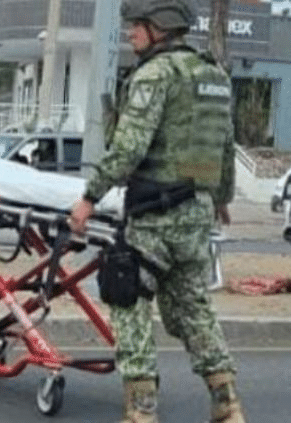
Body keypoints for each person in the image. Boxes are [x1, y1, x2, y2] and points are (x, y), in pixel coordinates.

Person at [69, 1, 246, 422]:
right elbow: (223, 146)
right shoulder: (215, 76)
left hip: (156, 215)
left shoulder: (154, 76)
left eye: (137, 26)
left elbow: (129, 148)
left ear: (160, 28)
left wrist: (89, 196)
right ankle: (228, 405)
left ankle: (141, 412)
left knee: (127, 301)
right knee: (193, 309)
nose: (130, 34)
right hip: (196, 215)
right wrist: (221, 198)